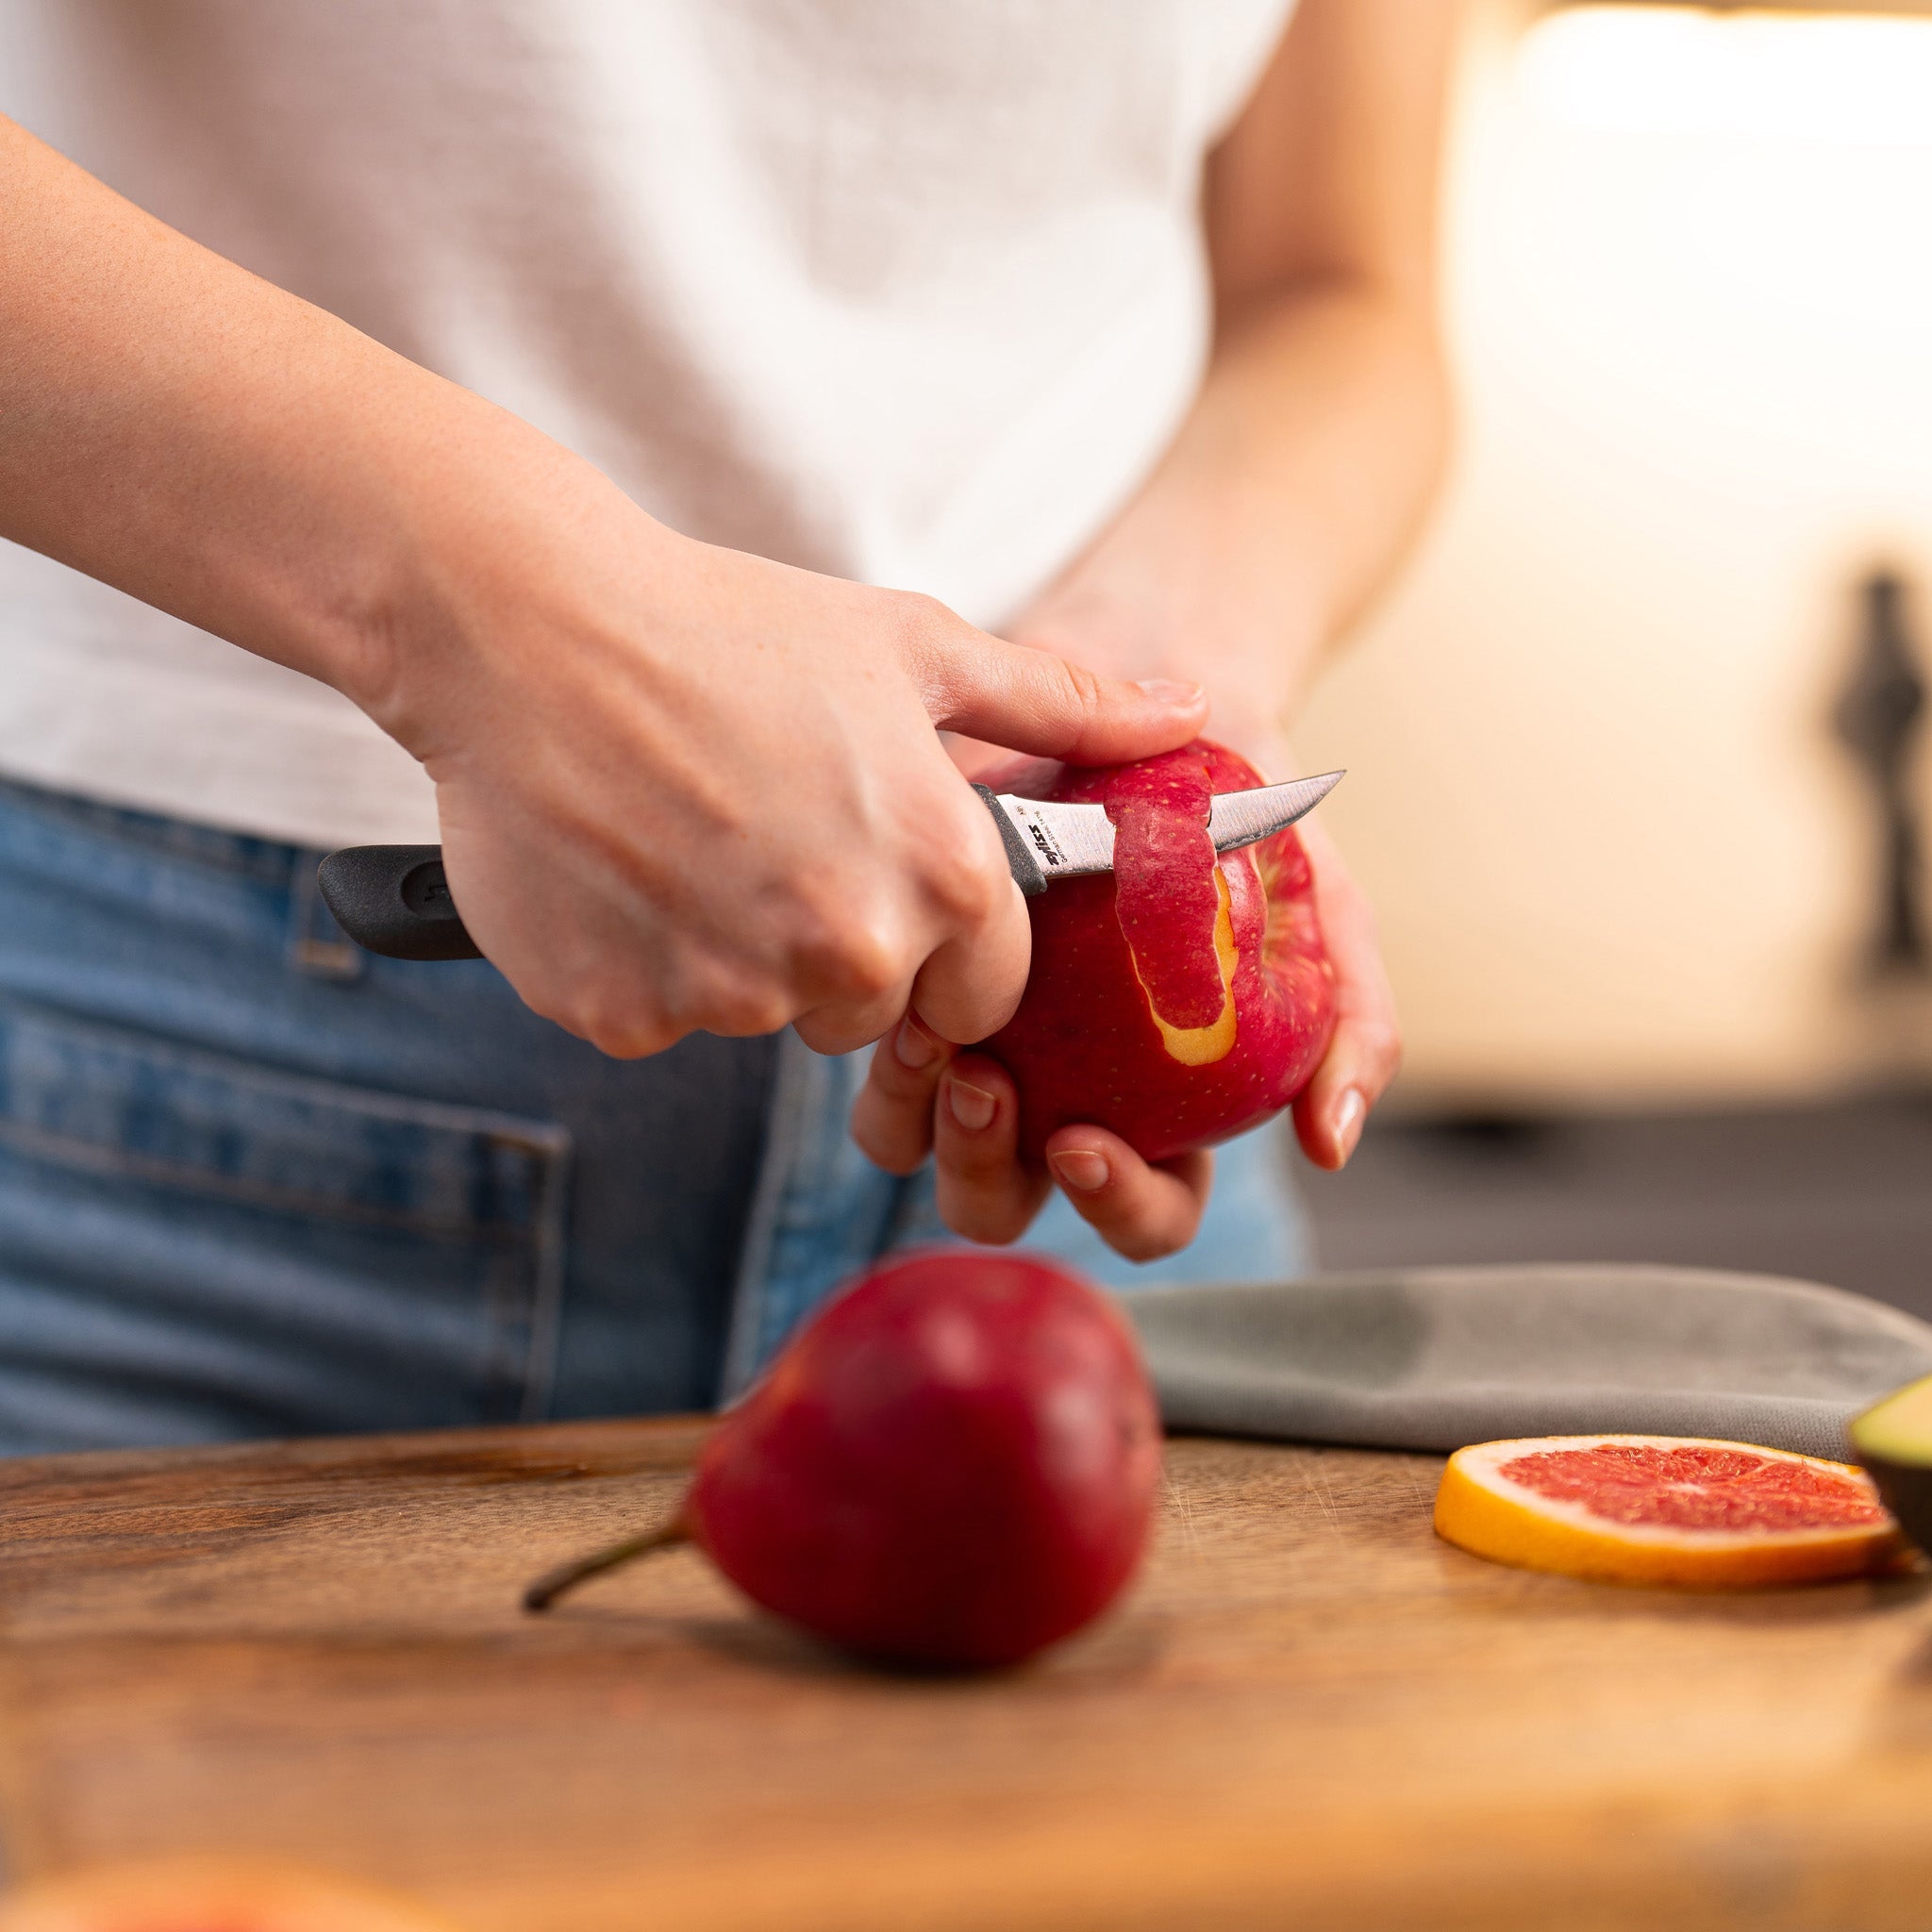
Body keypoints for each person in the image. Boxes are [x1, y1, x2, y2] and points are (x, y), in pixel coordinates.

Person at [0, 0, 1451, 1454]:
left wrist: (1164, 664)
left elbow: (1335, 285)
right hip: (166, 1106)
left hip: (1058, 1151)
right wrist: (490, 616)